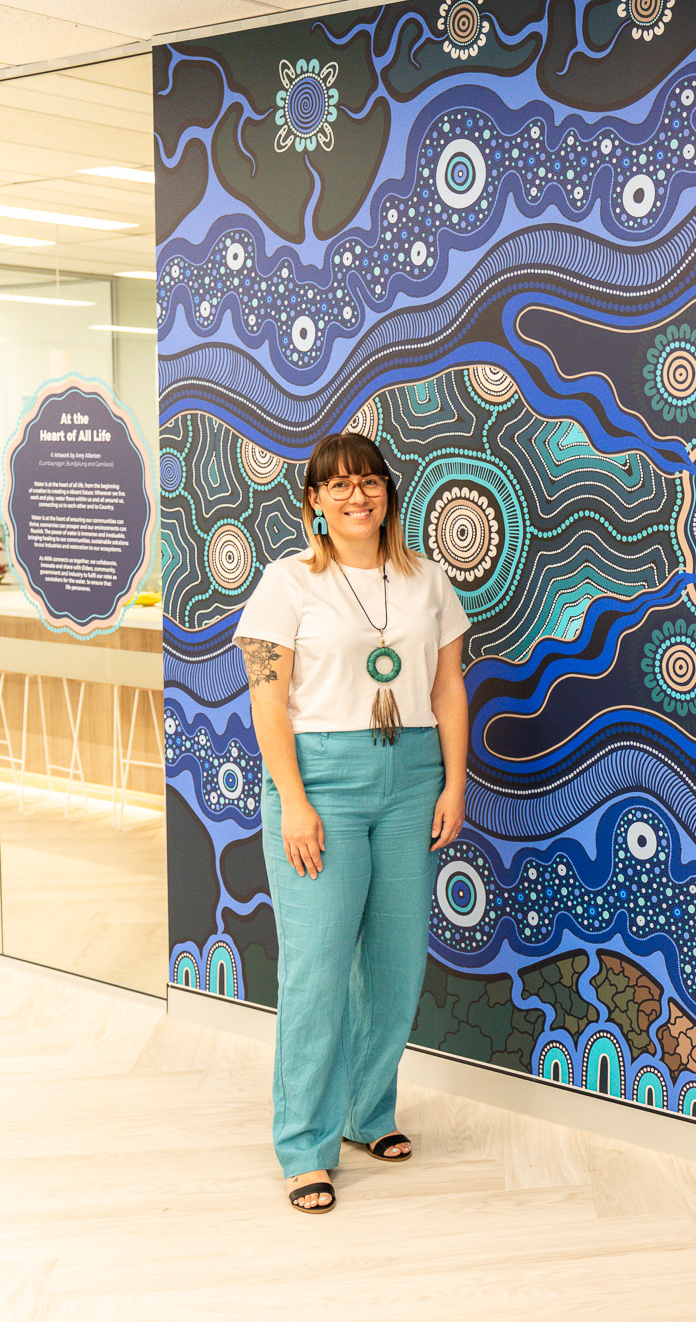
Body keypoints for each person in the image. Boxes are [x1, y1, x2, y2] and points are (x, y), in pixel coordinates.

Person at [233, 431, 470, 1214]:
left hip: (413, 776)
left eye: (369, 481)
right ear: (314, 500)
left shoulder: (428, 580)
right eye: (337, 484)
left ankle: (369, 1113)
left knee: (396, 964)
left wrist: (454, 782)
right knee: (318, 968)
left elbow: (448, 688)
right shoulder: (286, 582)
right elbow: (268, 699)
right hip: (321, 781)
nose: (356, 495)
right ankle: (306, 1143)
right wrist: (293, 799)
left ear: (387, 492)